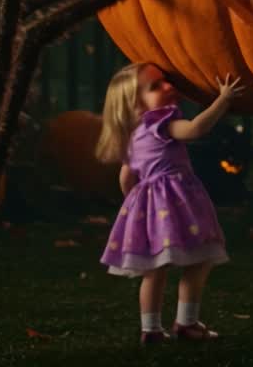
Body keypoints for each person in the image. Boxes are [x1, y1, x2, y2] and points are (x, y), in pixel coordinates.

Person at [95, 62, 243, 344]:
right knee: (200, 260)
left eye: (165, 80)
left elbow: (126, 177)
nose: (168, 86)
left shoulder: (133, 136)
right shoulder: (159, 122)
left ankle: (150, 329)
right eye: (156, 86)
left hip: (150, 207)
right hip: (178, 201)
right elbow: (195, 129)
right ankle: (186, 323)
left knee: (154, 270)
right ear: (135, 104)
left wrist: (135, 205)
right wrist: (222, 100)